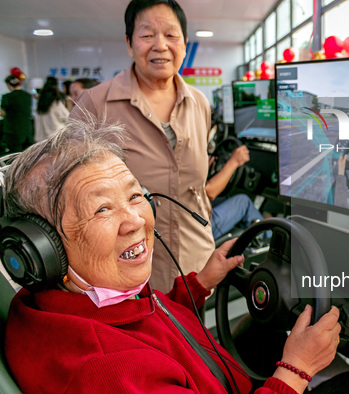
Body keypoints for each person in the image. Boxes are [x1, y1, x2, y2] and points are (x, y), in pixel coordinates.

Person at [2, 117, 349, 393]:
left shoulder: (60, 303)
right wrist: (296, 369)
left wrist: (199, 284)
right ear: (41, 249)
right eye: (101, 210)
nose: (136, 220)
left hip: (213, 371)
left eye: (133, 196)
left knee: (259, 332)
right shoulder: (108, 372)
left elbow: (147, 324)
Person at [71, 0, 214, 292]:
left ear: (185, 44)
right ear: (129, 43)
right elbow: (72, 194)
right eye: (147, 35)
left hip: (196, 263)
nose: (160, 45)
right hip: (127, 272)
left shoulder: (199, 103)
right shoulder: (95, 104)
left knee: (196, 337)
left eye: (171, 35)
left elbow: (197, 188)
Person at [207, 144, 265, 239]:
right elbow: (210, 192)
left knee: (226, 199)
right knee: (243, 202)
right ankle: (270, 237)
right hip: (196, 225)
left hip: (185, 213)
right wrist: (234, 162)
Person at [0, 74, 33, 154]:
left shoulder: (7, 97)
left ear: (8, 85)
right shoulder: (28, 96)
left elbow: (2, 113)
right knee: (27, 156)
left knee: (15, 156)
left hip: (13, 132)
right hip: (27, 130)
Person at [34, 76, 69, 142]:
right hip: (55, 138)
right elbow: (68, 118)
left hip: (41, 139)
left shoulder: (39, 104)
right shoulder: (56, 104)